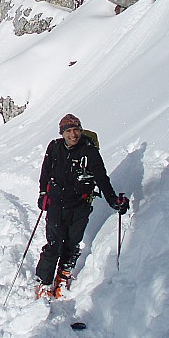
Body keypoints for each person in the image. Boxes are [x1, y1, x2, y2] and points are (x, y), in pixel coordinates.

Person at [34, 113, 129, 298]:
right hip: (55, 204)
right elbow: (45, 173)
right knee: (54, 243)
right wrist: (43, 194)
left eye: (76, 130)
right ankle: (44, 281)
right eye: (68, 131)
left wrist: (113, 202)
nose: (73, 135)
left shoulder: (89, 151)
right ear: (62, 133)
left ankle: (63, 276)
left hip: (79, 205)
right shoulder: (54, 148)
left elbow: (101, 178)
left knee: (72, 242)